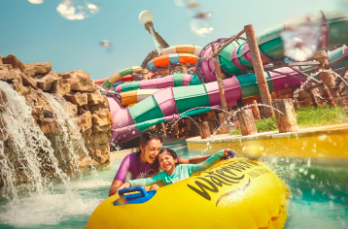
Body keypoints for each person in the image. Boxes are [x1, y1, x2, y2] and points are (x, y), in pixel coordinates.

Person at [109, 130, 212, 196]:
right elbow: (112, 191)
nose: (156, 153)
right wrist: (129, 186)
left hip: (155, 191)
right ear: (142, 147)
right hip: (139, 191)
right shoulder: (130, 160)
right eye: (152, 149)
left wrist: (212, 157)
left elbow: (188, 161)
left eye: (158, 149)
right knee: (144, 185)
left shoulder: (160, 158)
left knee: (155, 186)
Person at [119, 148, 236, 190]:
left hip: (189, 196)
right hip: (174, 203)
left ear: (175, 160)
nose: (164, 161)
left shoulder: (185, 168)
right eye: (161, 161)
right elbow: (147, 181)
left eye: (167, 158)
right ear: (159, 165)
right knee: (153, 186)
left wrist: (220, 153)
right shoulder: (163, 176)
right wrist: (129, 183)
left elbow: (203, 166)